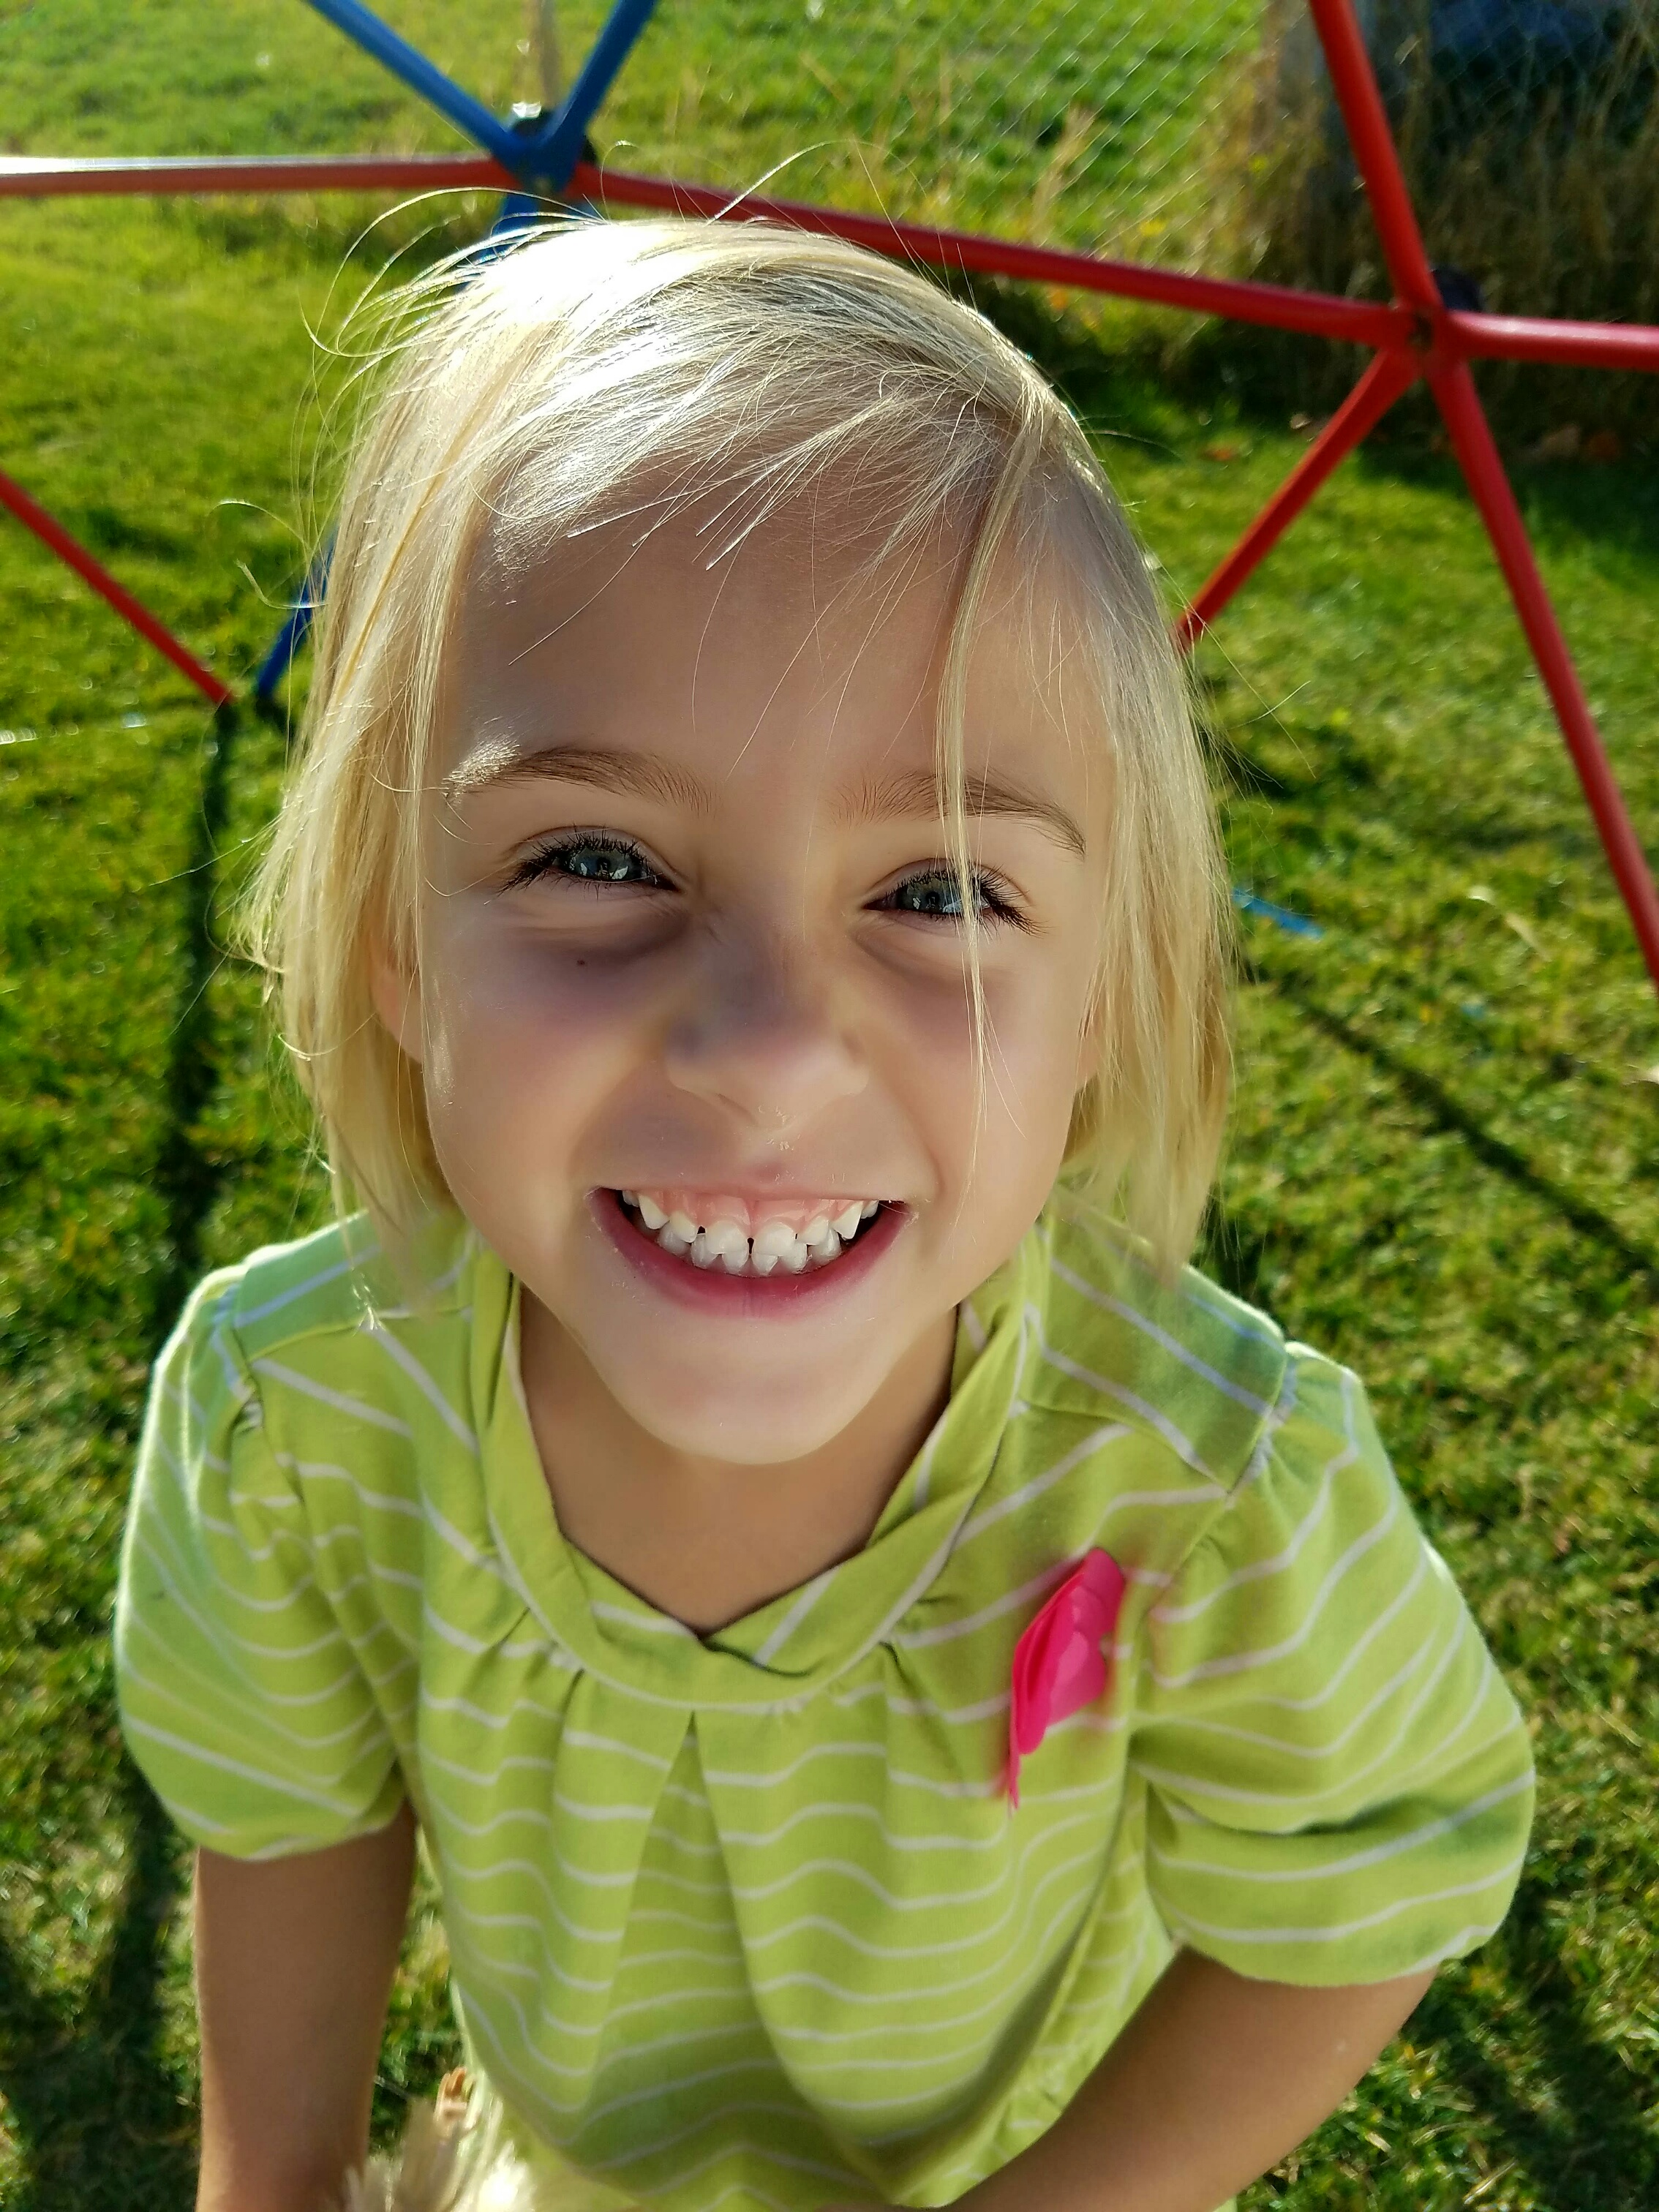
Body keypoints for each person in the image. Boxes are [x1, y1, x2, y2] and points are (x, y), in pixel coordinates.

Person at [115, 217, 1534, 2212]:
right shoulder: (296, 1422)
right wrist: (270, 2179)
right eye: (595, 857)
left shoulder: (1208, 1489)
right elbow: (291, 1806)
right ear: (392, 949)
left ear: (1104, 1001)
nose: (769, 1050)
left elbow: (1370, 1876)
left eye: (938, 891)